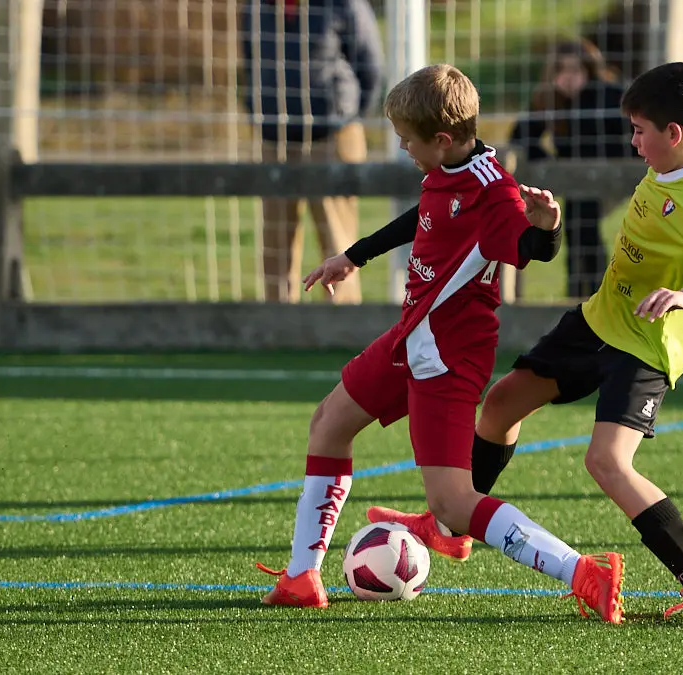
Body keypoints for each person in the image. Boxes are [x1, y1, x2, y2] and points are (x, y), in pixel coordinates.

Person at [368, 62, 683, 621]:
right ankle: (451, 524)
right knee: (501, 404)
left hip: (646, 342)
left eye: (640, 130)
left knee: (606, 461)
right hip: (600, 319)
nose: (633, 140)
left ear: (673, 134)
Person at [254, 64, 626, 624]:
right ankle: (302, 577)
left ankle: (585, 574)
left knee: (451, 502)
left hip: (450, 357)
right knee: (328, 423)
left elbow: (529, 247)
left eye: (407, 140)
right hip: (413, 336)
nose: (403, 147)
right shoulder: (449, 167)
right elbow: (425, 214)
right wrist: (352, 256)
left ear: (443, 139)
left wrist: (547, 226)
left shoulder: (493, 190)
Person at [241, 0, 384, 303]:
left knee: (338, 241)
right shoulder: (255, 6)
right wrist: (257, 110)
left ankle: (342, 329)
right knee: (275, 244)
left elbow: (371, 66)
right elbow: (251, 61)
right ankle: (277, 327)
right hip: (274, 139)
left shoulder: (343, 4)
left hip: (332, 137)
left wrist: (346, 117)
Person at [509, 39, 636, 298]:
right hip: (576, 180)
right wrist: (551, 162)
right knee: (578, 226)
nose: (568, 78)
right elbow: (520, 136)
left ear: (589, 70)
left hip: (615, 172)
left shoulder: (607, 95)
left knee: (583, 224)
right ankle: (580, 293)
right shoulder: (549, 100)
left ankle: (594, 293)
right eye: (561, 71)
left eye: (576, 70)